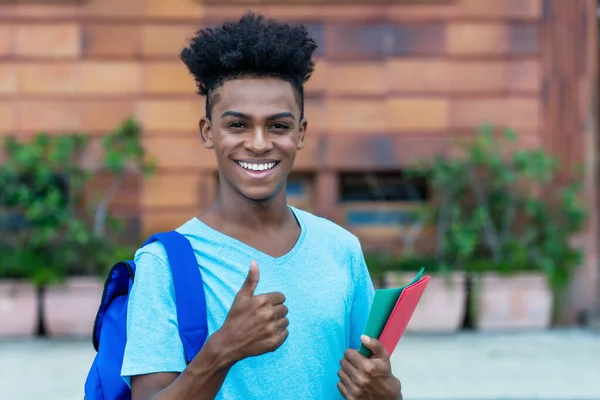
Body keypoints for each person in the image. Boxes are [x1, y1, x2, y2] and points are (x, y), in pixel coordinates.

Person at [121, 11, 403, 400]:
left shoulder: (341, 250)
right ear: (209, 133)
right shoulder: (165, 265)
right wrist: (222, 350)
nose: (258, 143)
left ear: (300, 134)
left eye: (278, 126)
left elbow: (369, 380)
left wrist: (388, 393)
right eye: (237, 125)